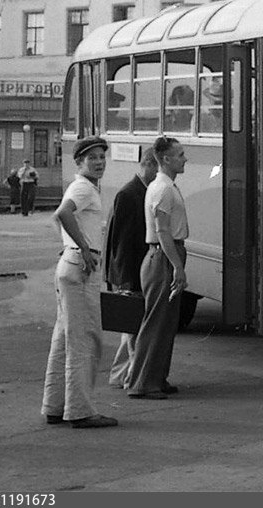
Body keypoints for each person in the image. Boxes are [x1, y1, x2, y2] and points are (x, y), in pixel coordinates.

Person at [40, 135, 118, 429]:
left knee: (64, 338)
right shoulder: (84, 188)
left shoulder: (81, 186)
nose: (99, 163)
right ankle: (81, 411)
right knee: (84, 338)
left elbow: (62, 217)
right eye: (92, 158)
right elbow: (61, 214)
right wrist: (84, 248)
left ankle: (55, 406)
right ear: (79, 162)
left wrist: (73, 247)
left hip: (70, 264)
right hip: (81, 265)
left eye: (101, 157)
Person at [126, 136, 189, 400]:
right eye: (180, 154)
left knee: (165, 323)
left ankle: (156, 379)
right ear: (166, 159)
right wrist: (178, 267)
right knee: (156, 323)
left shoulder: (163, 185)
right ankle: (143, 384)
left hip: (164, 255)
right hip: (163, 256)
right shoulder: (163, 189)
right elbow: (162, 231)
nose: (185, 158)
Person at [104, 148, 160, 389]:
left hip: (134, 271)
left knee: (131, 330)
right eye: (157, 167)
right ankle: (130, 378)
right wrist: (125, 281)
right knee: (134, 330)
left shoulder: (141, 192)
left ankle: (119, 376)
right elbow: (122, 242)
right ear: (147, 164)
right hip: (132, 273)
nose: (159, 173)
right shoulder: (130, 194)